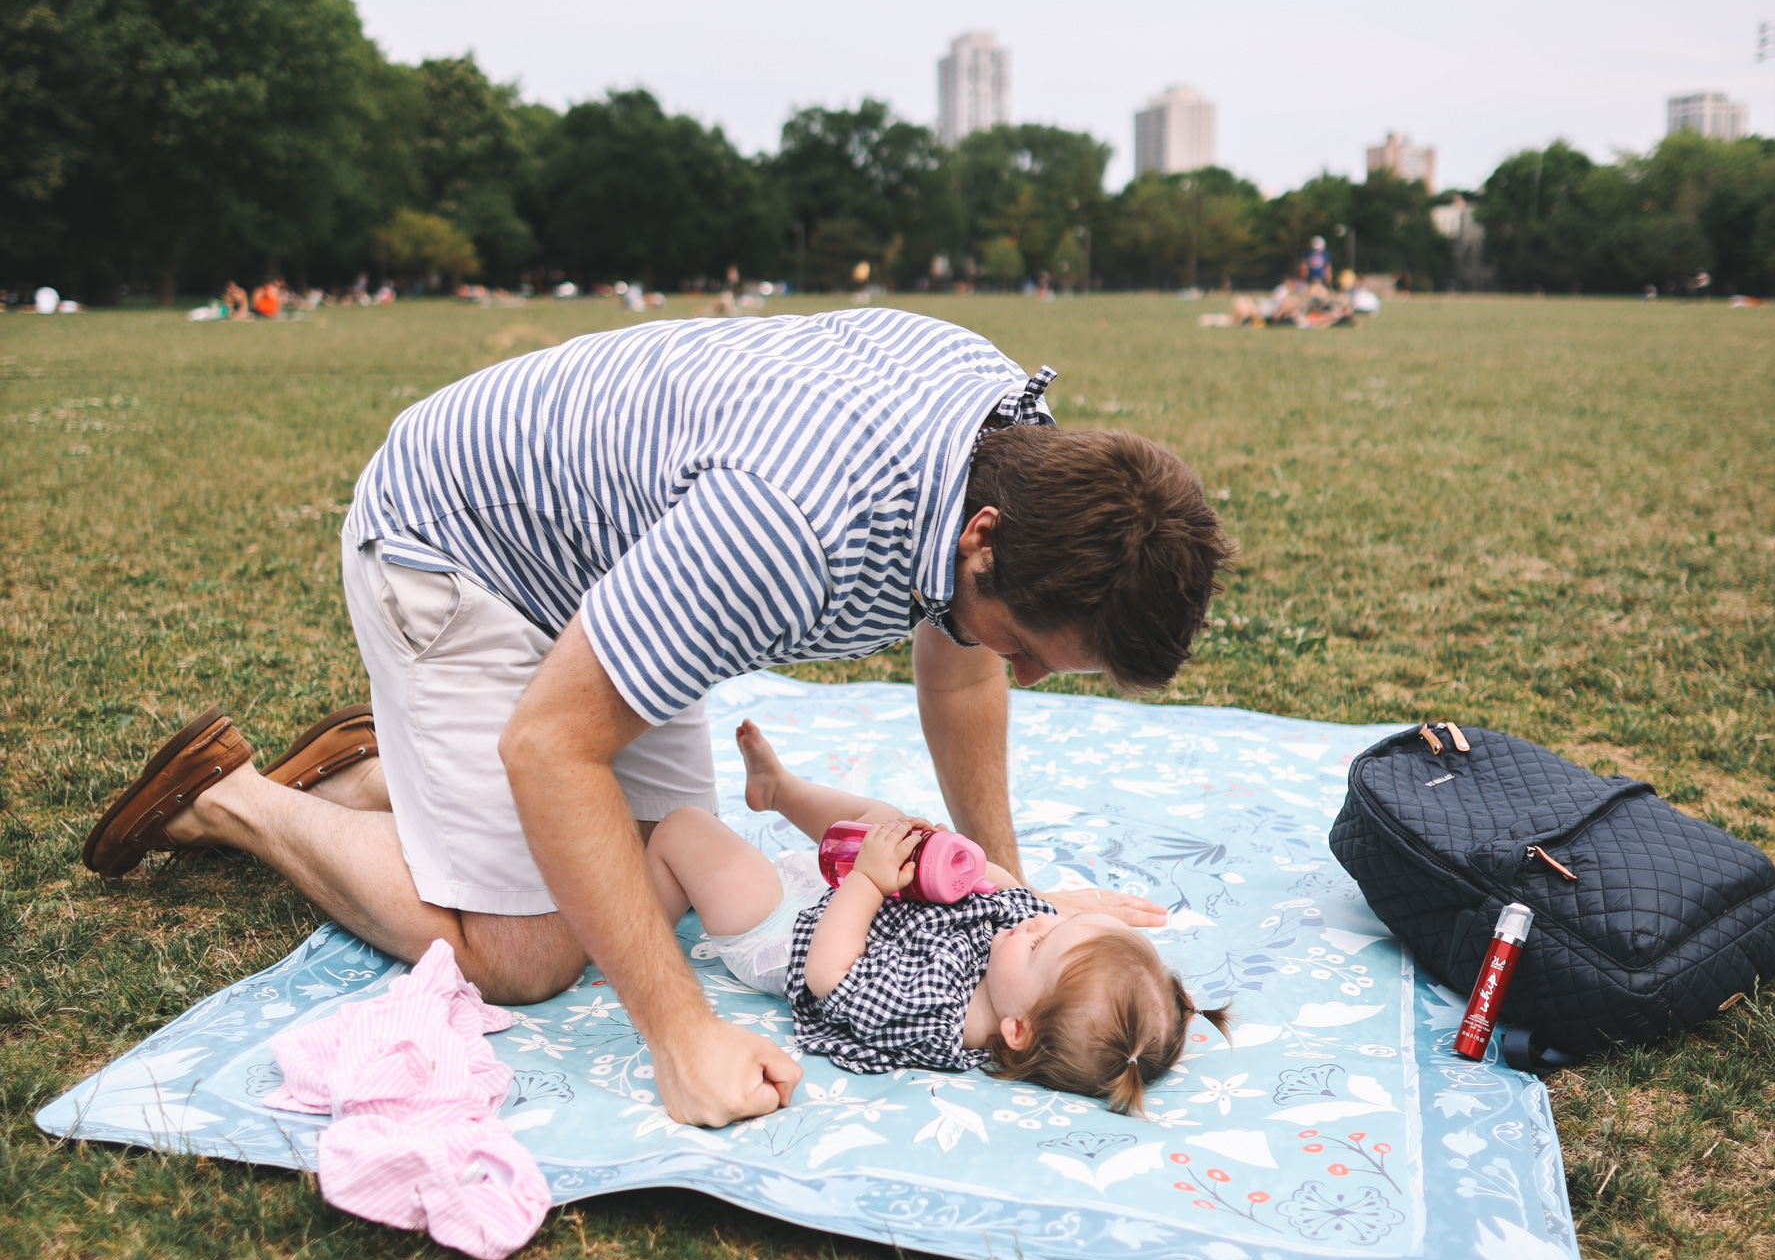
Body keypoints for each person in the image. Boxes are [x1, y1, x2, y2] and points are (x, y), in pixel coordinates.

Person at [82, 311, 1229, 1128]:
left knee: (649, 864)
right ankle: (236, 799)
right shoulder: (790, 530)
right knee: (530, 953)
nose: (1018, 678)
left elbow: (961, 647)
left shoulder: (1006, 450)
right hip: (458, 546)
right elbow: (551, 746)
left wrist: (1009, 900)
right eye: (1028, 647)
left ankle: (391, 775)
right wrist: (682, 1036)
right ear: (983, 536)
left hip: (610, 572)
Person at [649, 720, 1217, 1111]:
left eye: (1043, 943)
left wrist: (870, 878)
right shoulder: (1015, 964)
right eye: (1056, 924)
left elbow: (830, 975)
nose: (1038, 923)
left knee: (682, 830)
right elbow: (1011, 893)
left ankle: (631, 921)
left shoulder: (935, 1015)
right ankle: (778, 789)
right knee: (885, 820)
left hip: (788, 930)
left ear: (1016, 1031)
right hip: (867, 900)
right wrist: (947, 858)